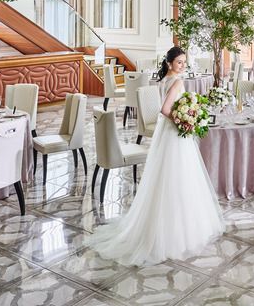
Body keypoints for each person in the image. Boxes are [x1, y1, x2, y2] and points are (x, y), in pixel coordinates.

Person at [86, 46, 225, 265]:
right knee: (178, 177)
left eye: (184, 62)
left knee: (165, 177)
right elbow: (165, 109)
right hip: (173, 132)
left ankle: (162, 224)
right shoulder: (176, 82)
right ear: (170, 63)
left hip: (165, 132)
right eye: (179, 62)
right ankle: (176, 232)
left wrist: (184, 116)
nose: (183, 65)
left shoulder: (162, 81)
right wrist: (183, 121)